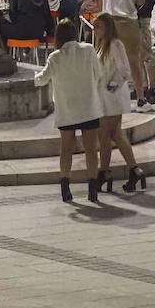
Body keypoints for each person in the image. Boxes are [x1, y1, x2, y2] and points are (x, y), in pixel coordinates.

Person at [35, 19, 105, 203]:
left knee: (66, 149)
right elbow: (99, 75)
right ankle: (92, 187)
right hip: (88, 107)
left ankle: (65, 187)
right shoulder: (89, 50)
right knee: (91, 148)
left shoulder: (55, 57)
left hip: (67, 110)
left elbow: (42, 79)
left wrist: (34, 77)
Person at [94, 0, 149, 110]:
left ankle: (97, 94)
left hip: (105, 18)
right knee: (134, 60)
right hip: (127, 18)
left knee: (102, 58)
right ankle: (140, 97)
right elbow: (141, 0)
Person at [92, 12, 146, 193]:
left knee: (106, 135)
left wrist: (110, 85)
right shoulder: (102, 46)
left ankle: (106, 171)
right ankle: (130, 169)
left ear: (107, 27)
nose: (95, 30)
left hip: (111, 97)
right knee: (113, 134)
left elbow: (124, 70)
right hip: (106, 97)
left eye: (98, 26)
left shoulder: (115, 45)